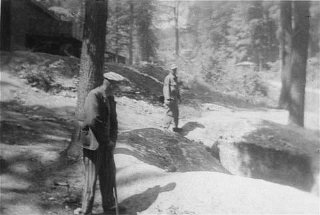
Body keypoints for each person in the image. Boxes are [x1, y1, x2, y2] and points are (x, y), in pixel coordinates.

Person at [77, 72, 126, 215]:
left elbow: (114, 121)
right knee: (91, 180)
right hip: (93, 144)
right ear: (108, 83)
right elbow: (94, 121)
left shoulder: (110, 98)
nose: (117, 88)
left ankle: (109, 205)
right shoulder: (94, 95)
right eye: (116, 85)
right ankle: (86, 210)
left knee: (109, 174)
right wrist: (107, 140)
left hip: (106, 144)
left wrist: (113, 140)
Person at [162, 64, 181, 132]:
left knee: (176, 113)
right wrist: (167, 99)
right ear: (170, 70)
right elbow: (166, 88)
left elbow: (177, 88)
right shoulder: (168, 78)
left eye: (175, 69)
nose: (174, 70)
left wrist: (179, 97)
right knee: (169, 113)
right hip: (170, 98)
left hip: (175, 98)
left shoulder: (175, 77)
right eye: (173, 69)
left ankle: (175, 127)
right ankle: (165, 128)